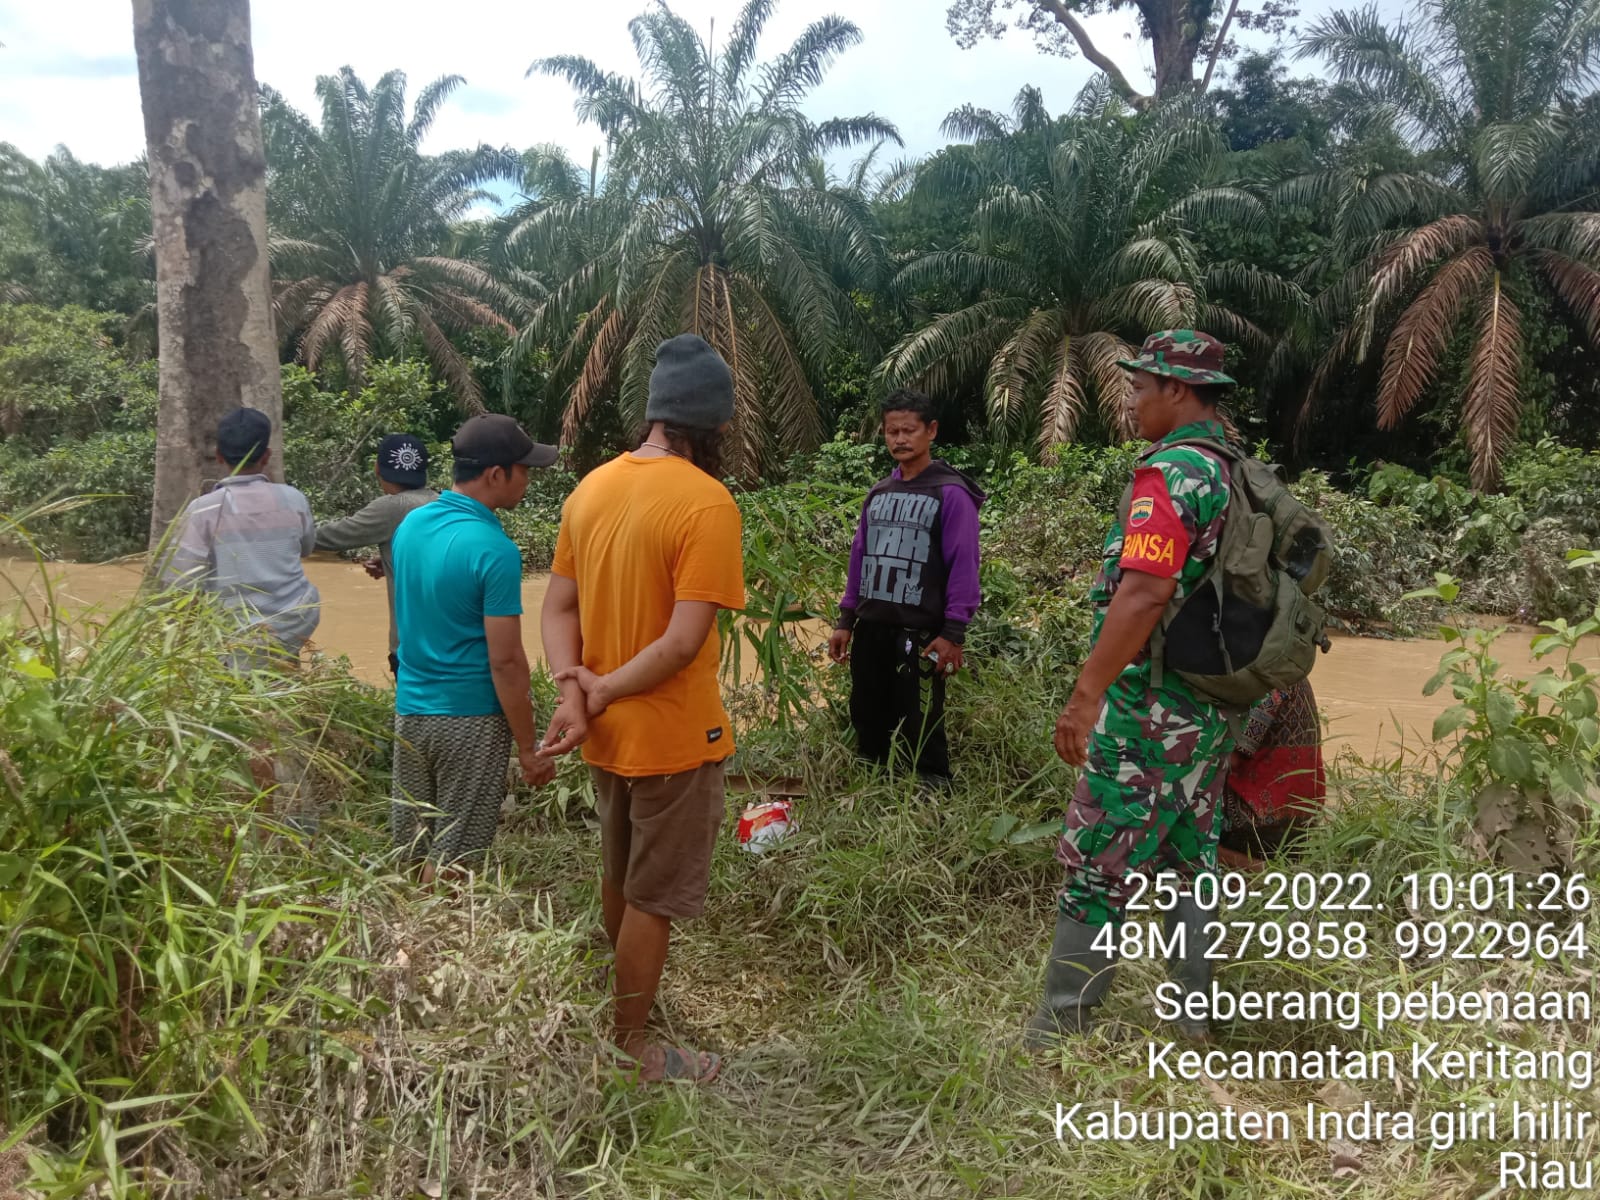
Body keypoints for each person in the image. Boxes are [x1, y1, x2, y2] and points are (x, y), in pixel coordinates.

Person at [538, 333, 745, 1085]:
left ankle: (620, 1011)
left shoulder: (590, 488)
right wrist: (598, 689)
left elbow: (557, 607)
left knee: (620, 876)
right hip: (673, 736)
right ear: (714, 423)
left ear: (655, 412)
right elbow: (683, 642)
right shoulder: (708, 502)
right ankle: (630, 1046)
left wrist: (577, 690)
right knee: (654, 897)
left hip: (605, 733)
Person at [1026, 330, 1239, 1048]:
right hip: (1210, 708)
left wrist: (1086, 695)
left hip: (1152, 709)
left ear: (1177, 390)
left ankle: (1060, 1030)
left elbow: (1145, 591)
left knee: (1097, 858)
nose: (1132, 401)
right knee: (1189, 860)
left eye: (1141, 388)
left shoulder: (1173, 473)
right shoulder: (1234, 470)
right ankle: (1192, 1020)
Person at [388, 414, 558, 882]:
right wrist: (528, 748)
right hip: (470, 720)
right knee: (455, 860)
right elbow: (506, 661)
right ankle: (443, 929)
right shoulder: (494, 549)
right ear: (496, 474)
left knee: (414, 848)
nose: (528, 480)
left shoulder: (410, 526)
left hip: (410, 712)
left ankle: (407, 924)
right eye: (524, 469)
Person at [828, 390, 984, 786]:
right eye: (891, 431)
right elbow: (859, 557)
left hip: (921, 632)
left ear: (931, 431)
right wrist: (845, 620)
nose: (899, 439)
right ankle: (873, 787)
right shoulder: (879, 493)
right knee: (867, 713)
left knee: (921, 720)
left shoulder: (951, 494)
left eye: (908, 430)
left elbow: (964, 565)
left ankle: (932, 791)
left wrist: (953, 633)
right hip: (872, 627)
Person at [159, 407, 321, 673]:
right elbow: (307, 548)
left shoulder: (203, 511)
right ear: (266, 456)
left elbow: (180, 581)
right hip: (294, 622)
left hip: (234, 632)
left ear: (219, 456)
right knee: (282, 673)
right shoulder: (293, 499)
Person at [314, 433, 439, 677]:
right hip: (452, 643)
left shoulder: (392, 507)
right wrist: (390, 560)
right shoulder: (441, 500)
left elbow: (328, 537)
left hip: (412, 648)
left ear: (377, 469)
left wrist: (276, 535)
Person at [1217, 679, 1326, 871]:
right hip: (1304, 825)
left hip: (1258, 826)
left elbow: (1230, 757)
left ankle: (1254, 868)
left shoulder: (1267, 681)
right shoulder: (1291, 673)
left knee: (1176, 820)